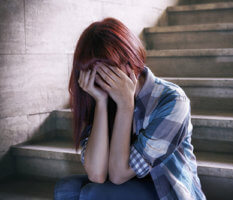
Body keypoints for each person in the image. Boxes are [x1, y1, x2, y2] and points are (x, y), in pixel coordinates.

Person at [54, 17, 207, 200]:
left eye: (107, 73)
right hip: (128, 185)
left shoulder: (172, 100)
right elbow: (97, 174)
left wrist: (126, 105)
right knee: (66, 189)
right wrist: (101, 103)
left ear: (129, 63)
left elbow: (118, 175)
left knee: (94, 194)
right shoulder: (98, 96)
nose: (100, 81)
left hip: (165, 190)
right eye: (92, 74)